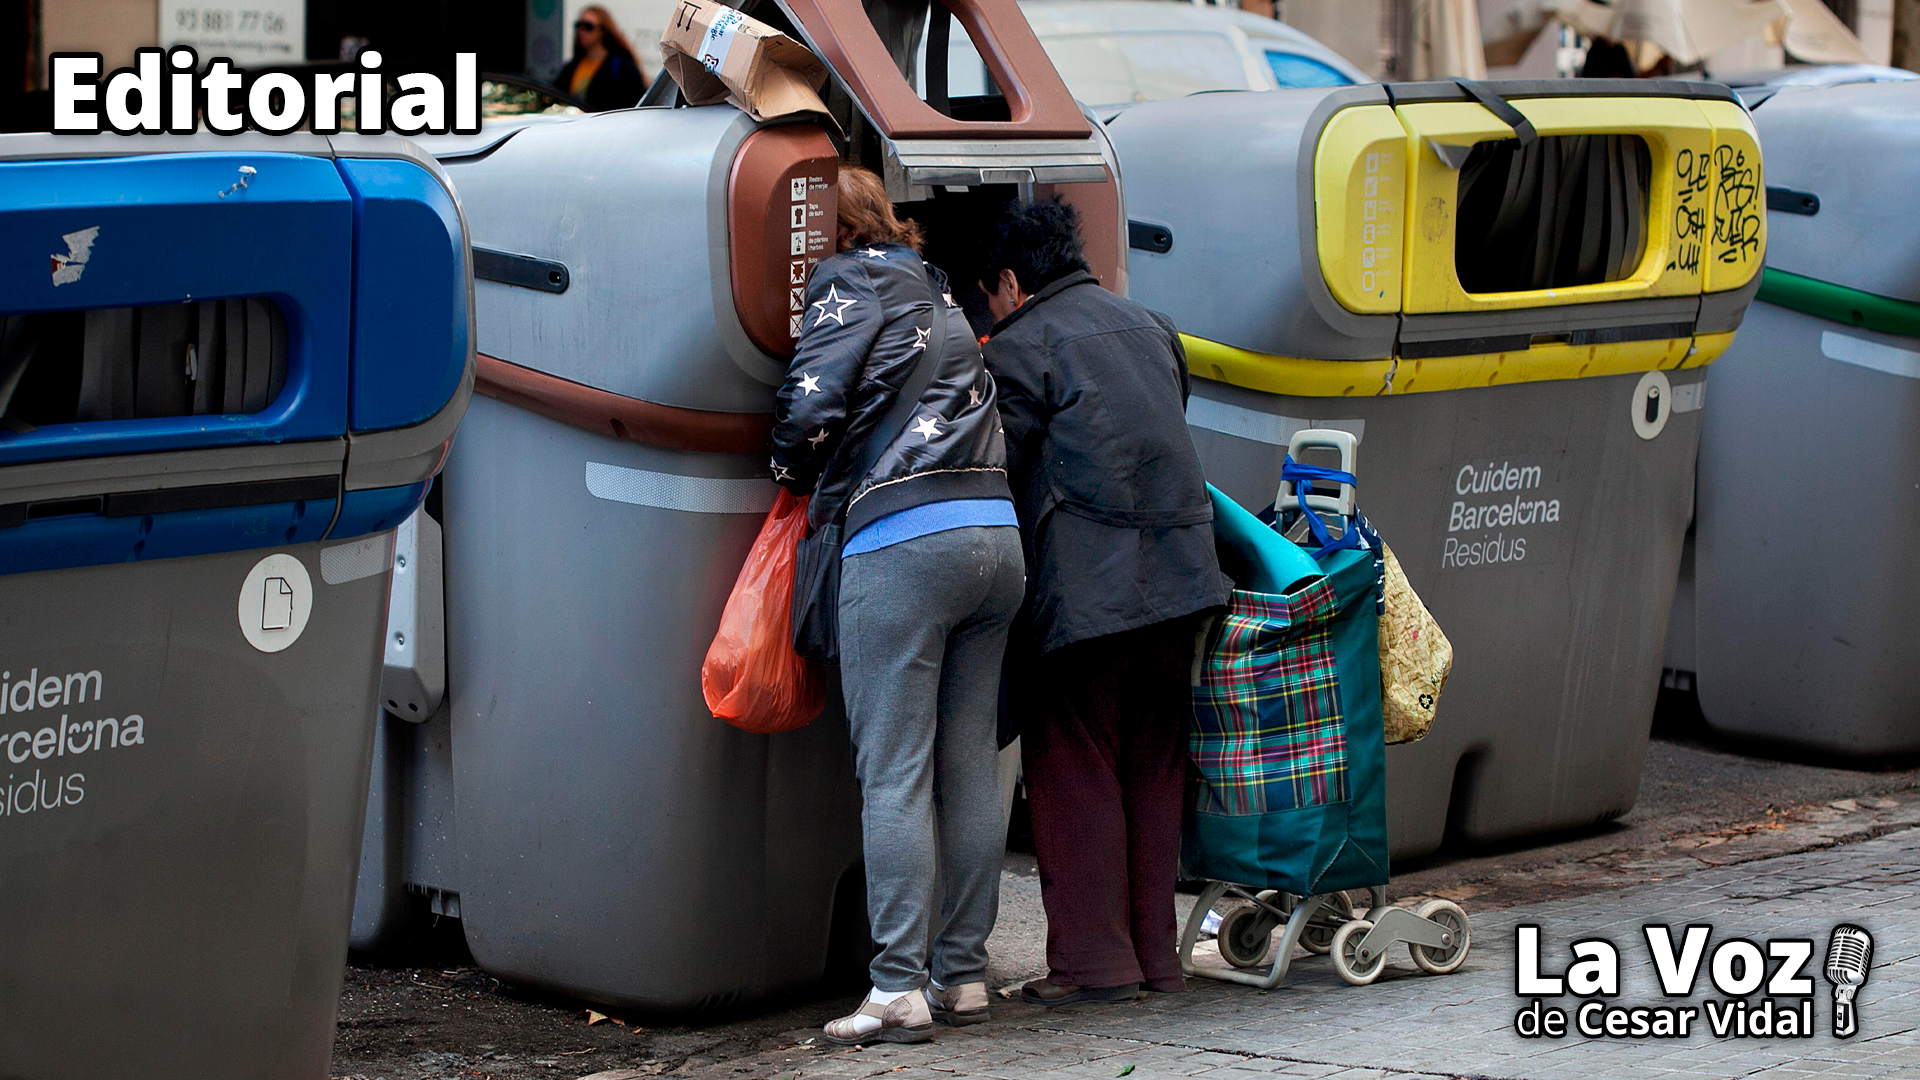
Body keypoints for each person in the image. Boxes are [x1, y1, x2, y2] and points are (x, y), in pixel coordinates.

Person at [770, 166, 1025, 1045]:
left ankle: (895, 989)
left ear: (827, 229)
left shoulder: (847, 282)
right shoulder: (936, 286)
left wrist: (787, 469)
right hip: (996, 538)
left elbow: (808, 412)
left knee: (895, 772)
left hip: (905, 542)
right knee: (970, 766)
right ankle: (963, 976)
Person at [979, 198, 1229, 1005]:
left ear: (1009, 282)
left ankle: (1094, 966)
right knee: (1153, 767)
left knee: (1075, 764)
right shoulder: (1152, 326)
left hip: (1086, 593)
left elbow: (1003, 467)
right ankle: (1156, 959)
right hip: (1183, 581)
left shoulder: (1020, 346)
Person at [556, 5, 648, 111]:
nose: (581, 31)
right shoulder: (571, 67)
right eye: (579, 25)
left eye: (588, 26)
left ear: (602, 31)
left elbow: (637, 105)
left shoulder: (621, 67)